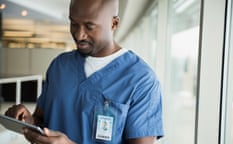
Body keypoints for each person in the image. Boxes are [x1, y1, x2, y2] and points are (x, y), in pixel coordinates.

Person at [5, 0, 164, 143]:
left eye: (89, 26)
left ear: (113, 24)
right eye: (74, 24)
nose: (79, 35)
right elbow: (42, 121)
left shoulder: (142, 80)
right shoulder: (60, 66)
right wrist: (28, 121)